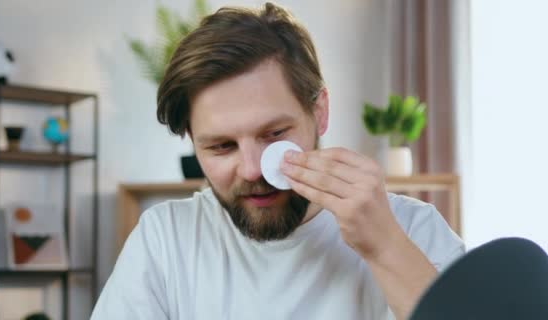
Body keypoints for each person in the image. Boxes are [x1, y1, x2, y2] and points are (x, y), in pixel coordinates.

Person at [91, 3, 464, 319]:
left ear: (319, 111)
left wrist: (384, 247)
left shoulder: (412, 229)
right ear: (192, 140)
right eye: (221, 146)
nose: (252, 169)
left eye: (274, 135)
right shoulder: (165, 239)